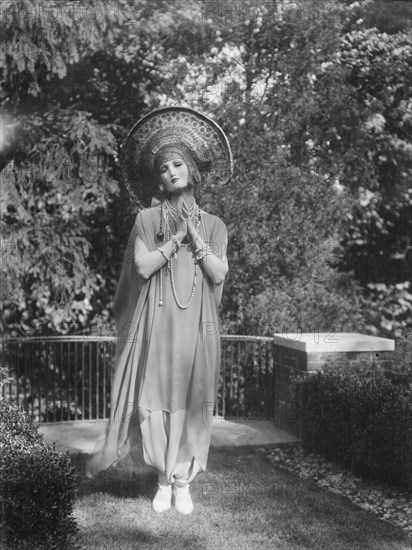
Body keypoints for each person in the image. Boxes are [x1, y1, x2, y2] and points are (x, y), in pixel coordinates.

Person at [85, 107, 233, 514]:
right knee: (154, 399)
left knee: (191, 398)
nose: (171, 172)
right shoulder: (147, 218)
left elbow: (219, 275)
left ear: (192, 169)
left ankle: (182, 480)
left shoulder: (216, 225)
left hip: (198, 326)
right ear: (158, 177)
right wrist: (174, 240)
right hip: (158, 323)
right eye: (164, 167)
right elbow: (143, 266)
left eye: (178, 163)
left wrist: (197, 239)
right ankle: (163, 481)